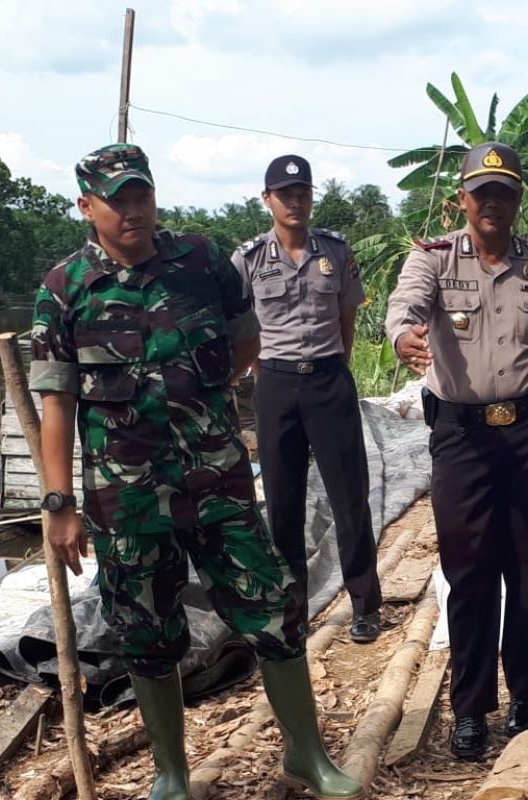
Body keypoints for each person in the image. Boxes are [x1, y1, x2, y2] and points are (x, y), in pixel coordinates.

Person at [30, 143, 362, 800]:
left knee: (272, 609)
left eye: (141, 195)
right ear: (86, 207)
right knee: (147, 633)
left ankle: (307, 755)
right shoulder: (64, 290)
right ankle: (172, 774)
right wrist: (59, 504)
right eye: (117, 199)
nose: (132, 210)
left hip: (218, 485)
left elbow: (245, 343)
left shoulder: (203, 262)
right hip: (127, 500)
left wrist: (196, 402)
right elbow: (56, 403)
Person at [384, 142, 528, 761]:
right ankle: (471, 708)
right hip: (461, 440)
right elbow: (405, 307)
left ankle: (526, 698)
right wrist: (404, 336)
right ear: (463, 199)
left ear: (517, 200)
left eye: (504, 192)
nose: (492, 204)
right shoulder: (433, 260)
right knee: (470, 575)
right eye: (482, 193)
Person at [231, 155, 382, 644]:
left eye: (303, 193)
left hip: (328, 380)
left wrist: (329, 367)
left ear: (311, 197)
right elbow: (241, 331)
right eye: (285, 194)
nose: (295, 202)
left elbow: (347, 322)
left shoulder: (335, 251)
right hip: (274, 386)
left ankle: (364, 604)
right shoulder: (248, 260)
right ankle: (293, 608)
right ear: (267, 199)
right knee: (283, 502)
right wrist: (265, 376)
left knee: (349, 497)